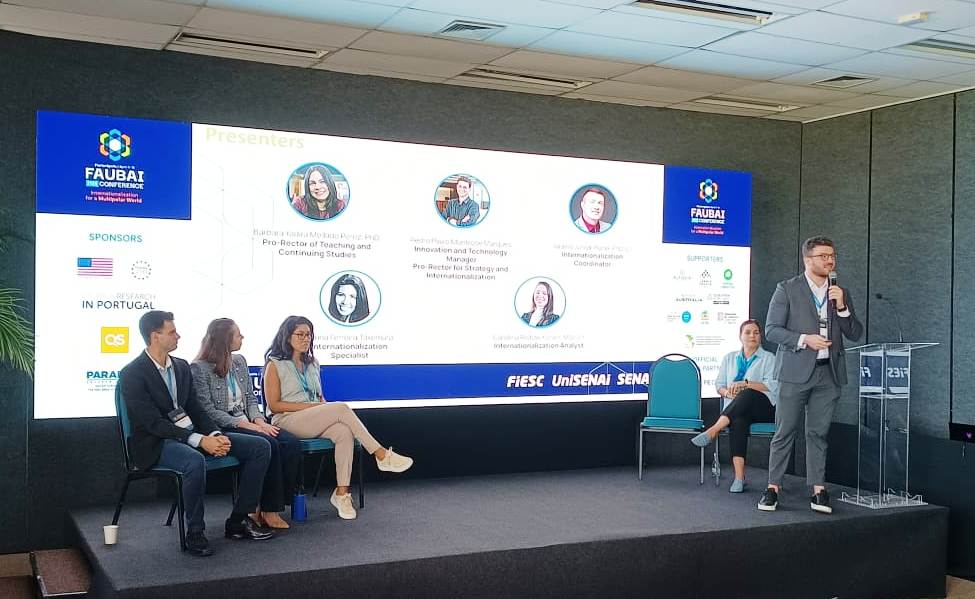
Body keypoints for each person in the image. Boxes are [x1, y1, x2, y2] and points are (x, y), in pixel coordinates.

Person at [119, 311, 274, 557]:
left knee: (259, 447)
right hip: (156, 442)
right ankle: (195, 532)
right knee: (194, 460)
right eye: (172, 332)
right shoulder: (132, 374)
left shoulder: (181, 367)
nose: (178, 335)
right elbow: (152, 423)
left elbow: (196, 409)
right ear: (155, 336)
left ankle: (238, 520)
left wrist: (215, 434)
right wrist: (201, 441)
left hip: (193, 434)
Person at [262, 316, 414, 520]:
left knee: (344, 432)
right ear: (287, 336)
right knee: (341, 408)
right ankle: (381, 454)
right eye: (300, 334)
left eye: (309, 335)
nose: (306, 339)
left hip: (312, 417)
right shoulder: (275, 364)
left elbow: (319, 398)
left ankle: (342, 493)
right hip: (286, 420)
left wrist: (321, 406)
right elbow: (274, 405)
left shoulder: (312, 364)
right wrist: (317, 407)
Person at [759, 236, 863, 514]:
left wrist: (842, 308)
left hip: (828, 374)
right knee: (785, 431)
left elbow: (855, 333)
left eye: (832, 256)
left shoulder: (839, 292)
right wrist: (804, 339)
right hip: (794, 372)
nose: (830, 261)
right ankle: (773, 488)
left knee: (818, 433)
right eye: (823, 256)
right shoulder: (787, 289)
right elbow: (772, 330)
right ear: (808, 260)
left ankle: (818, 490)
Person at [191, 318, 301, 530]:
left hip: (248, 420)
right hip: (223, 426)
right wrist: (246, 425)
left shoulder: (239, 361)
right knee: (269, 444)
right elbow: (208, 411)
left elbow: (250, 398)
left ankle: (270, 507)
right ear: (225, 339)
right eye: (238, 334)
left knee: (290, 443)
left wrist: (259, 420)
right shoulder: (199, 369)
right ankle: (264, 509)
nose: (242, 337)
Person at [690, 320, 777, 492]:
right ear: (740, 336)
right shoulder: (729, 358)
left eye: (756, 333)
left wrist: (746, 384)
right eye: (748, 332)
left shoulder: (769, 358)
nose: (752, 336)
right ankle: (739, 477)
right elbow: (719, 385)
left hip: (764, 407)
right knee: (738, 421)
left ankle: (714, 430)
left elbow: (772, 386)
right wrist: (728, 393)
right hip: (738, 410)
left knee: (747, 393)